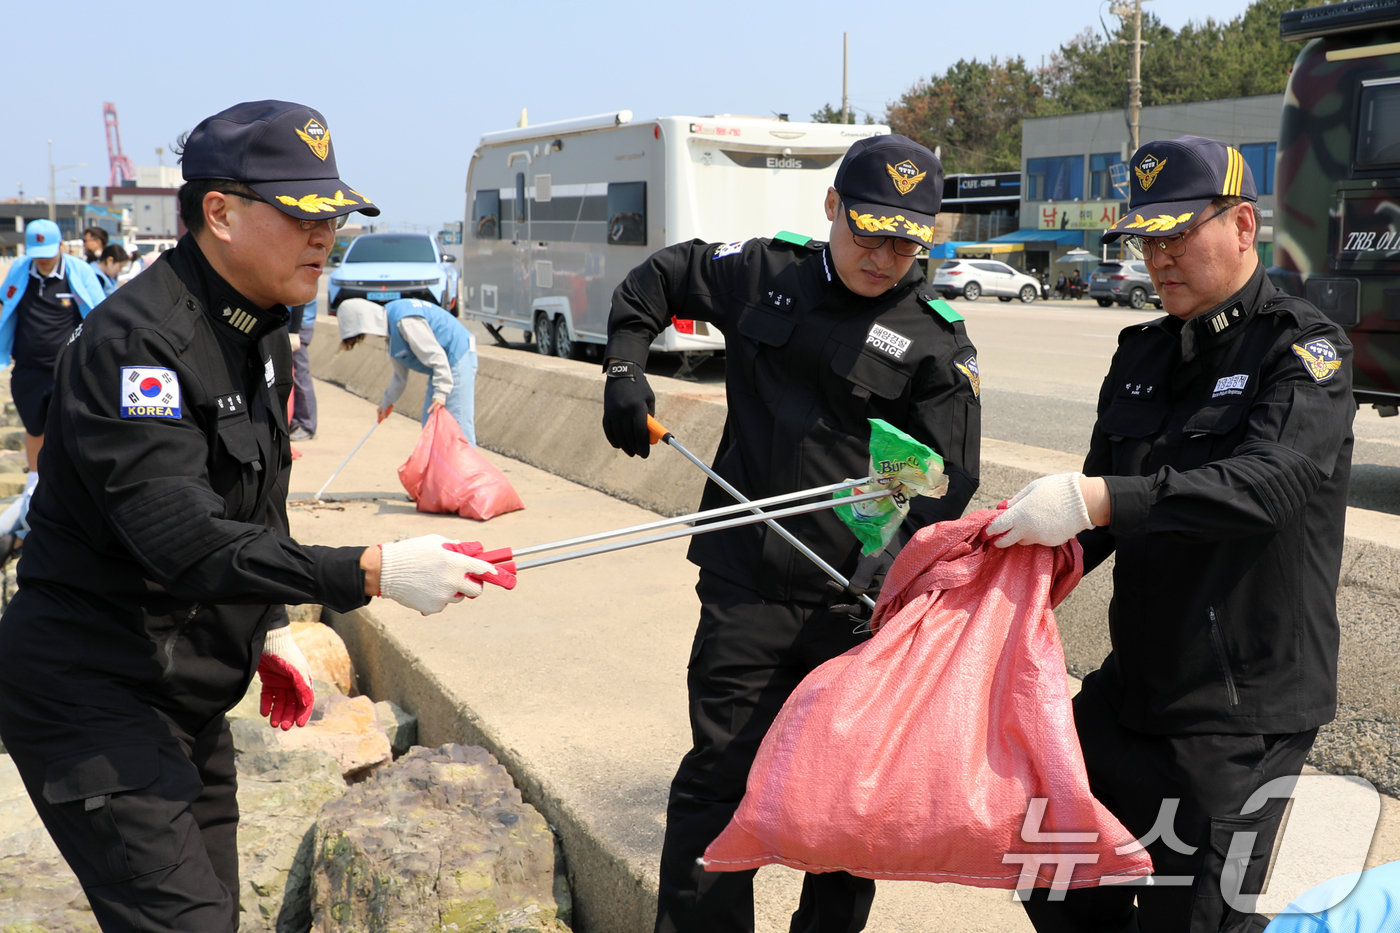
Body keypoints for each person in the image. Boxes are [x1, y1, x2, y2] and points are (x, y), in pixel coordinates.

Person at [0, 100, 507, 933]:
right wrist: (370, 569)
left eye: (334, 217)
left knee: (218, 917)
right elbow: (182, 537)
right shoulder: (138, 347)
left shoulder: (264, 332)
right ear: (221, 213)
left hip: (188, 700)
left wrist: (268, 626)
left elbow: (258, 500)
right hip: (93, 691)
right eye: (303, 215)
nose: (326, 236)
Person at [602, 134, 981, 932]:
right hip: (744, 584)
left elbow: (951, 482)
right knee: (716, 783)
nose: (884, 258)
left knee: (845, 812)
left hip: (854, 607)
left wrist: (885, 568)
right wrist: (625, 371)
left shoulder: (935, 339)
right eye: (868, 232)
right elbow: (656, 279)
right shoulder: (763, 272)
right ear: (833, 204)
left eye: (906, 244)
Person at [987, 136, 1353, 933]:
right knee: (1046, 867)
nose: (1158, 258)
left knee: (1191, 919)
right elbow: (1092, 517)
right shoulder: (1143, 353)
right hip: (1138, 685)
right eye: (1147, 240)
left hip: (1239, 708)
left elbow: (1267, 484)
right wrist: (998, 564)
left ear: (1244, 225)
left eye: (1178, 235)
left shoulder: (1302, 350)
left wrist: (1097, 499)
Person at [0, 219, 107, 544]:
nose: (43, 260)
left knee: (71, 427)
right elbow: (7, 304)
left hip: (69, 369)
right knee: (34, 426)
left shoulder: (77, 271)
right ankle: (34, 484)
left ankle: (74, 487)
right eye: (38, 254)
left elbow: (100, 311)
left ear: (60, 246)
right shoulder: (21, 270)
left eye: (48, 253)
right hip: (28, 369)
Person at [336, 296, 478, 443]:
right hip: (441, 368)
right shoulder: (392, 332)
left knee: (458, 425)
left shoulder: (405, 321)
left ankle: (466, 459)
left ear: (367, 323)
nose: (365, 339)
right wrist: (386, 402)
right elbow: (400, 376)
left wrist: (441, 392)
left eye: (360, 336)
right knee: (430, 426)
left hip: (458, 356)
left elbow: (436, 356)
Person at [287, 299, 318, 440]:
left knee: (300, 376)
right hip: (290, 324)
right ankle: (294, 421)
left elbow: (299, 299)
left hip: (297, 326)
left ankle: (306, 425)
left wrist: (294, 332)